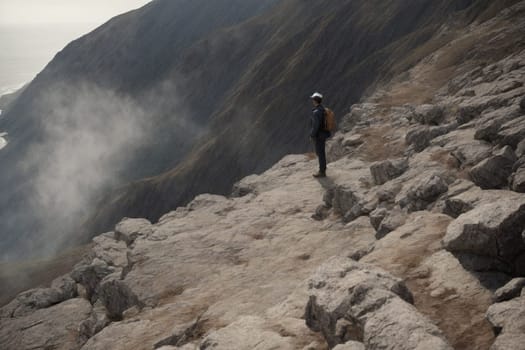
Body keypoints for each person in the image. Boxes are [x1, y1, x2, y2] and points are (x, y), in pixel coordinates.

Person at [309, 92, 330, 178]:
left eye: (312, 99)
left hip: (319, 135)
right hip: (324, 133)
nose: (312, 101)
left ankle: (322, 171)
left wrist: (312, 135)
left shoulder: (316, 112)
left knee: (320, 153)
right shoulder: (323, 109)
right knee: (321, 152)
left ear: (315, 101)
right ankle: (323, 169)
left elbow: (315, 126)